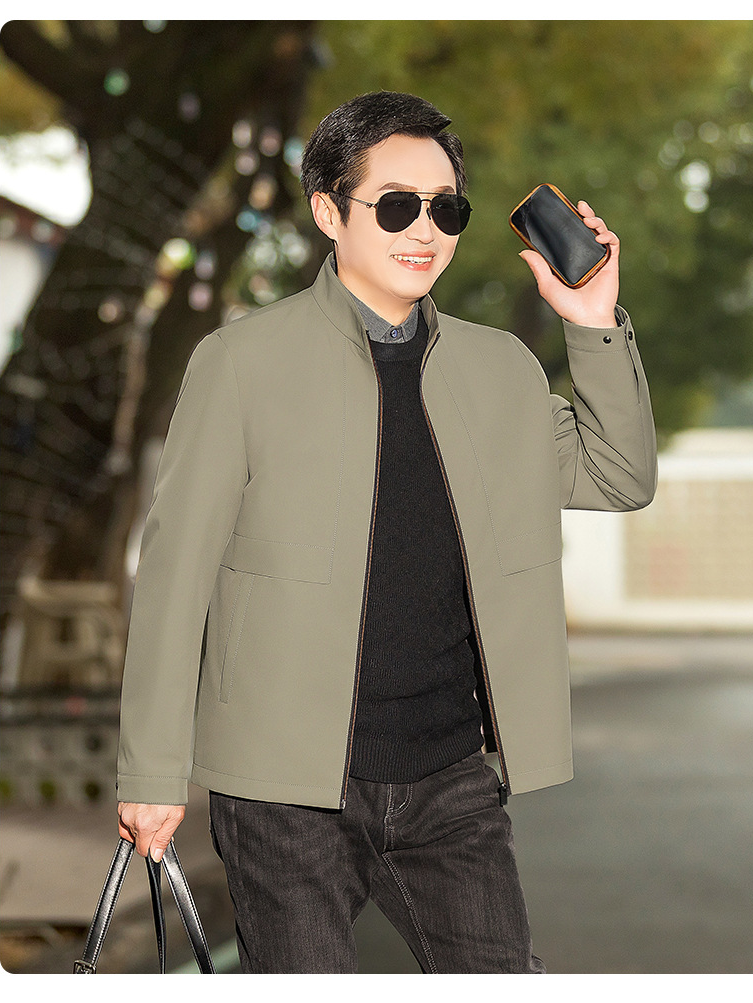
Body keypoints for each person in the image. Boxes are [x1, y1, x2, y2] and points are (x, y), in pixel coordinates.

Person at [116, 90, 656, 974]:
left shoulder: (502, 370)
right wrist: (150, 772)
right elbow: (175, 576)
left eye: (447, 209)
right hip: (282, 786)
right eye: (397, 206)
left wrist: (592, 323)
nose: (425, 231)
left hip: (451, 778)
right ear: (329, 212)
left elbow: (619, 475)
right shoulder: (240, 362)